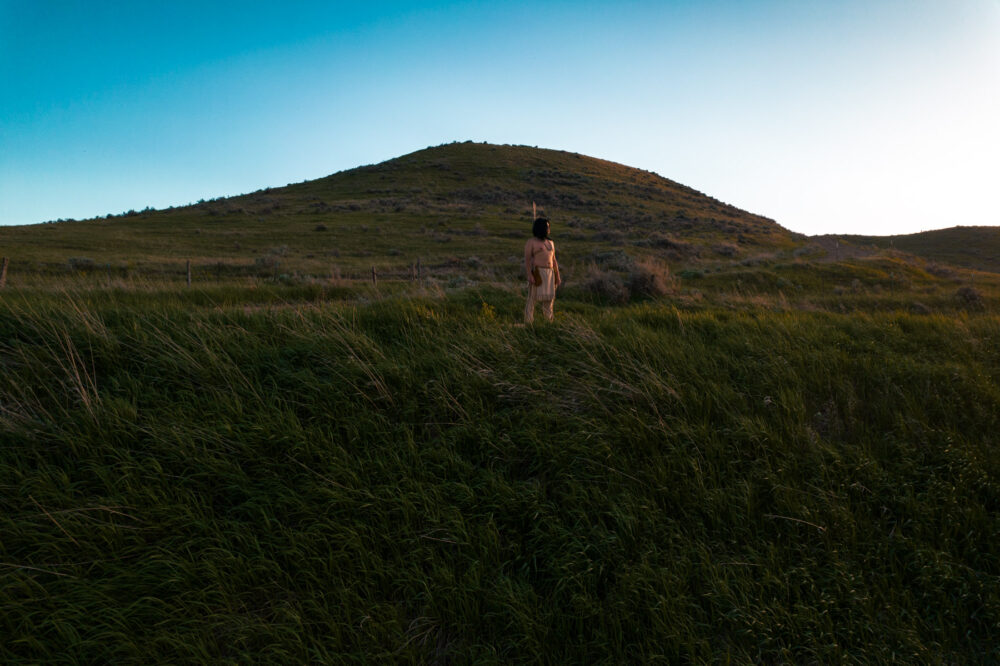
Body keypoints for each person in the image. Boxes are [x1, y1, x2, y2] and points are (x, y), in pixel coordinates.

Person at [524, 217, 560, 323]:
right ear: (541, 228)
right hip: (538, 273)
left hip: (550, 273)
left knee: (549, 300)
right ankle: (528, 322)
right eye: (547, 227)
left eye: (549, 227)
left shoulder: (551, 242)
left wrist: (557, 276)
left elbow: (554, 260)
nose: (548, 229)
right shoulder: (531, 242)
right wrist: (530, 275)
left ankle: (548, 322)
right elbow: (527, 260)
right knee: (532, 299)